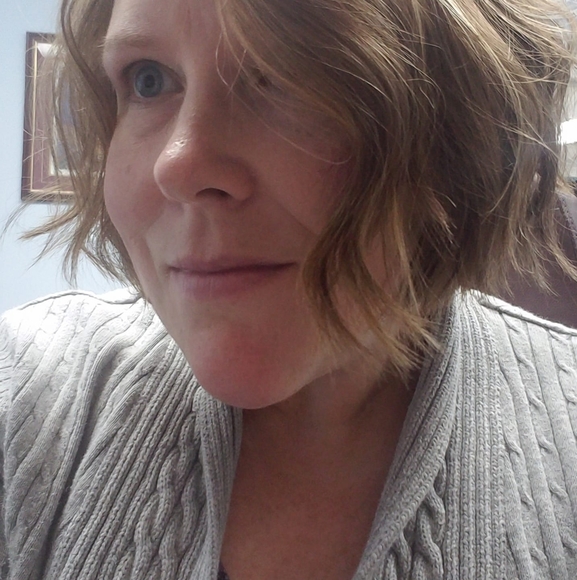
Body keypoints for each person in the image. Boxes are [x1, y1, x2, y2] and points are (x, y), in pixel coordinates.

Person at [1, 0, 577, 578]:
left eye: (284, 72)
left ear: (456, 129)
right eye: (147, 80)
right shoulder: (24, 390)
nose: (178, 166)